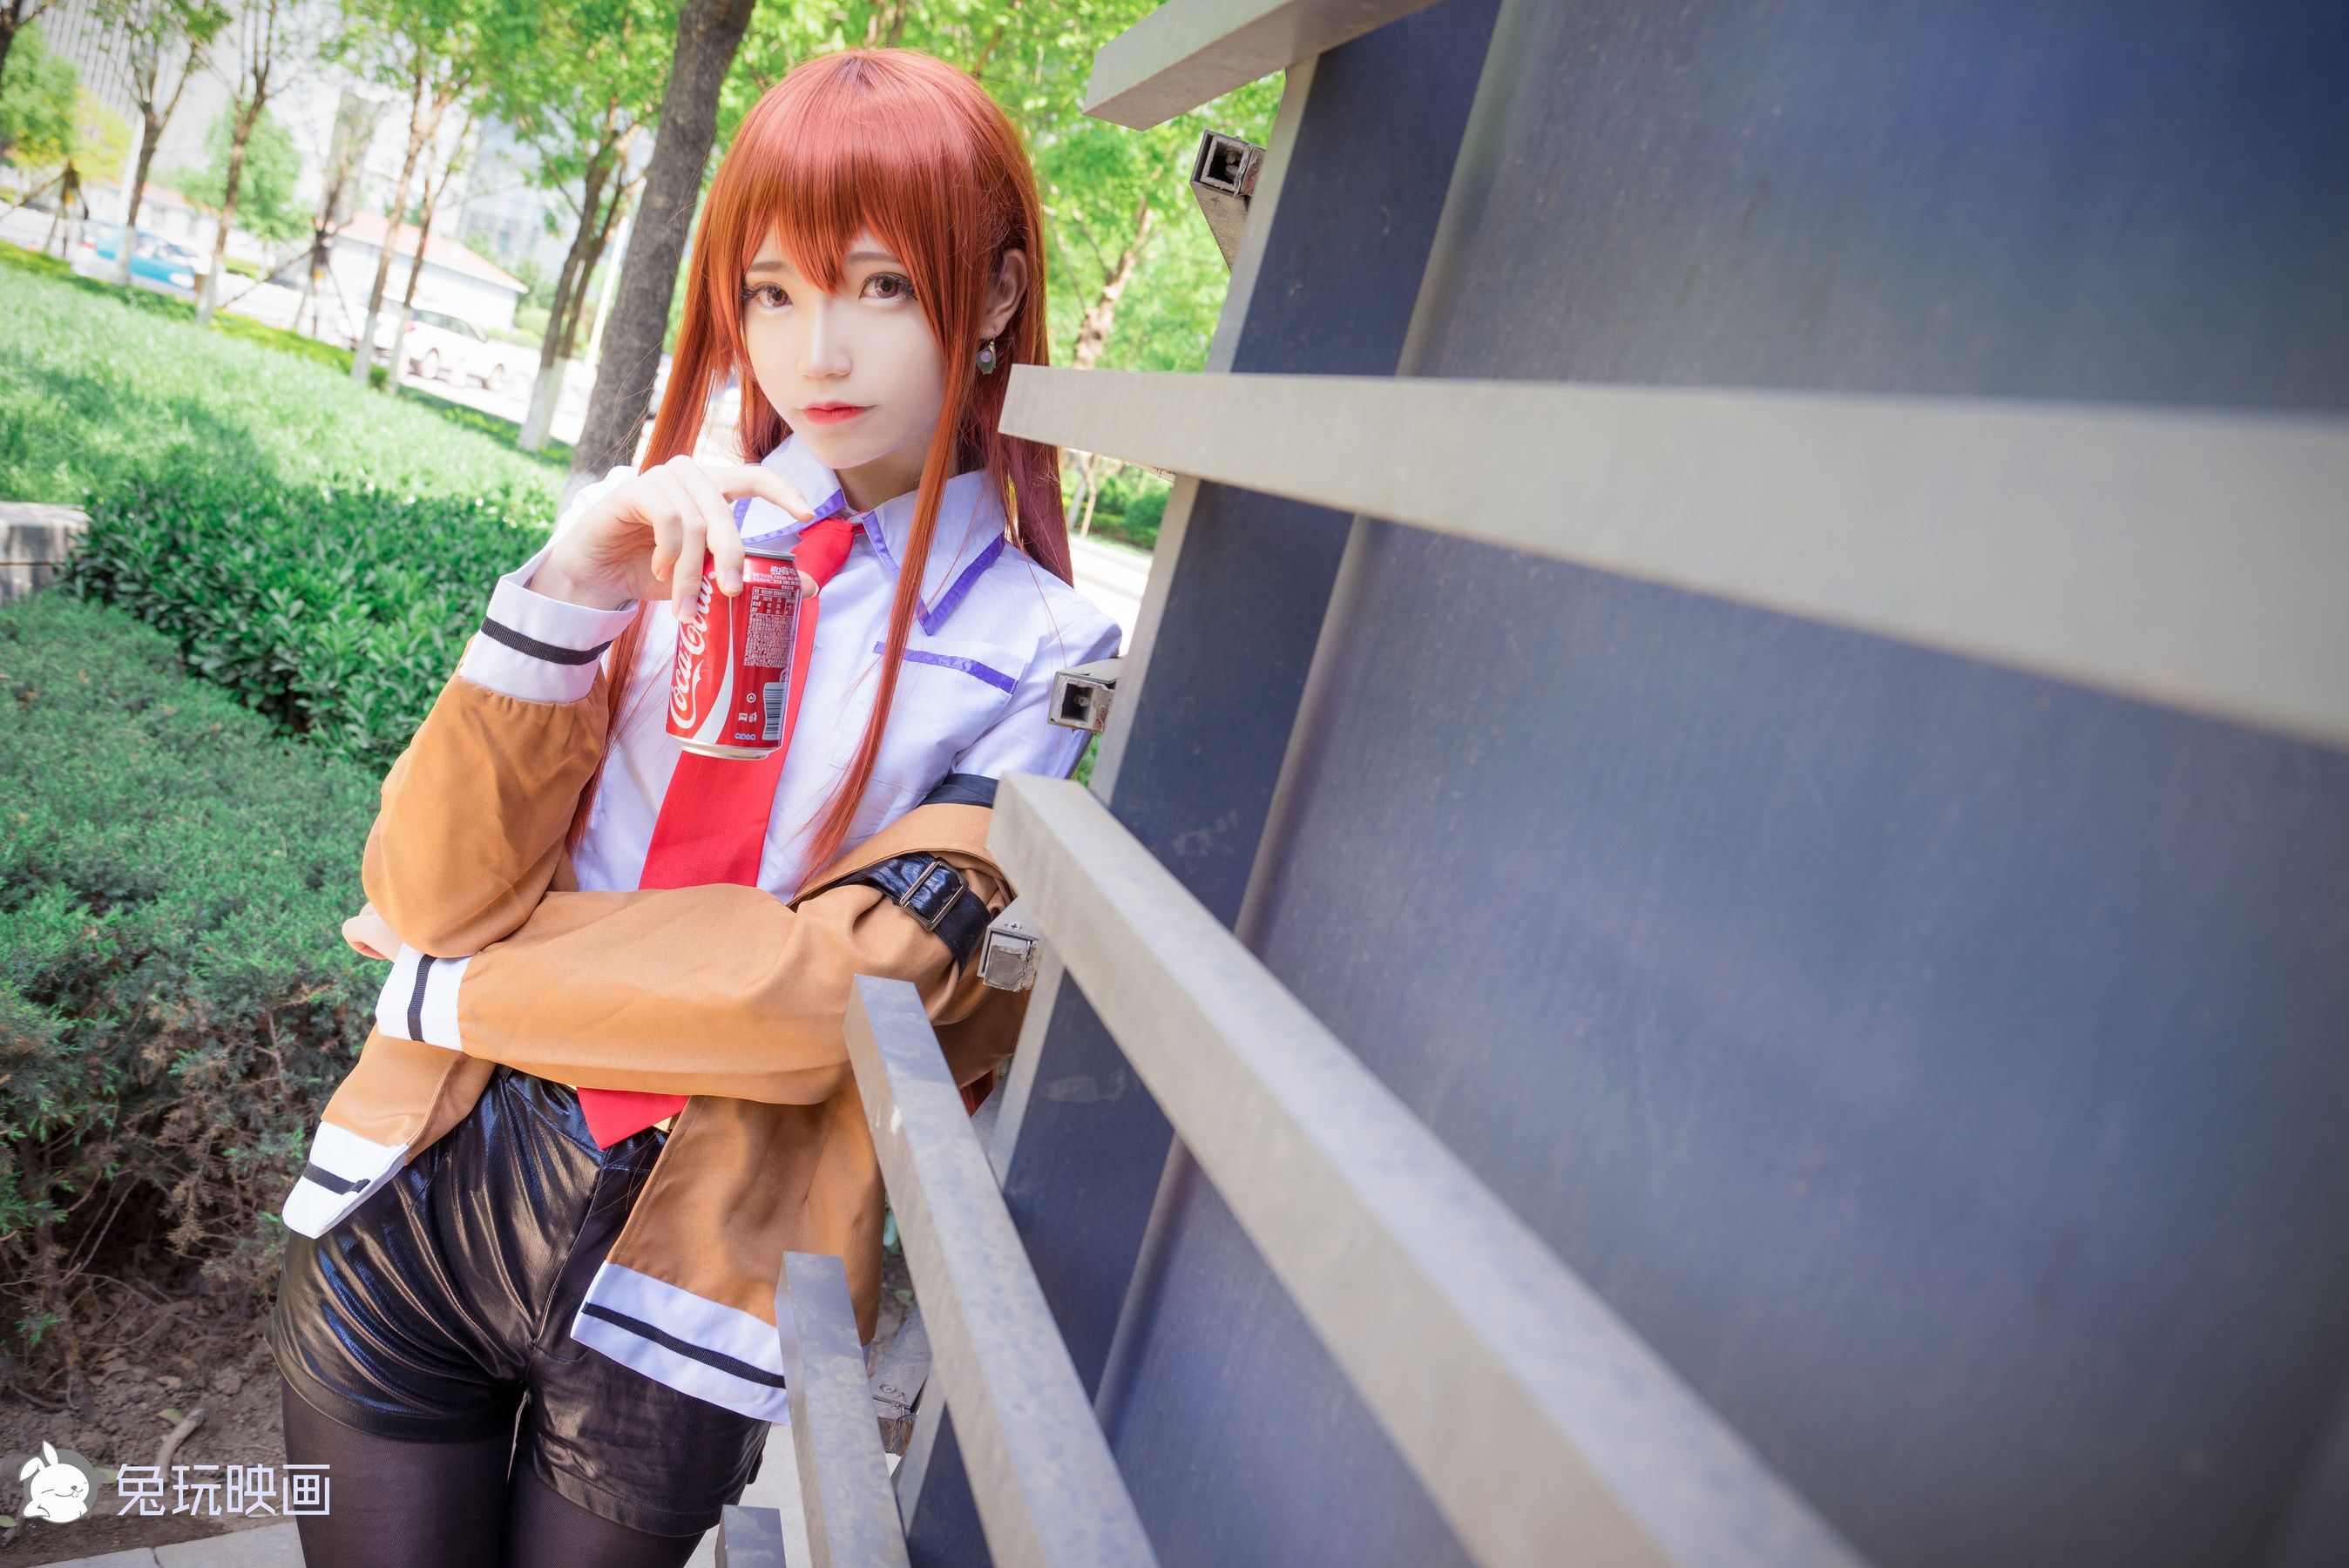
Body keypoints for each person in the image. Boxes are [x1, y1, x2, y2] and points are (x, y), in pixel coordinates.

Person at [264, 48, 1121, 1567]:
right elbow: (428, 894)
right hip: (417, 1192)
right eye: (773, 291)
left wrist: (451, 986)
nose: (817, 350)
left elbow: (833, 1003)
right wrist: (565, 592)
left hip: (693, 1276)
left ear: (995, 293)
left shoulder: (1046, 652)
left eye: (881, 286)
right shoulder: (648, 535)